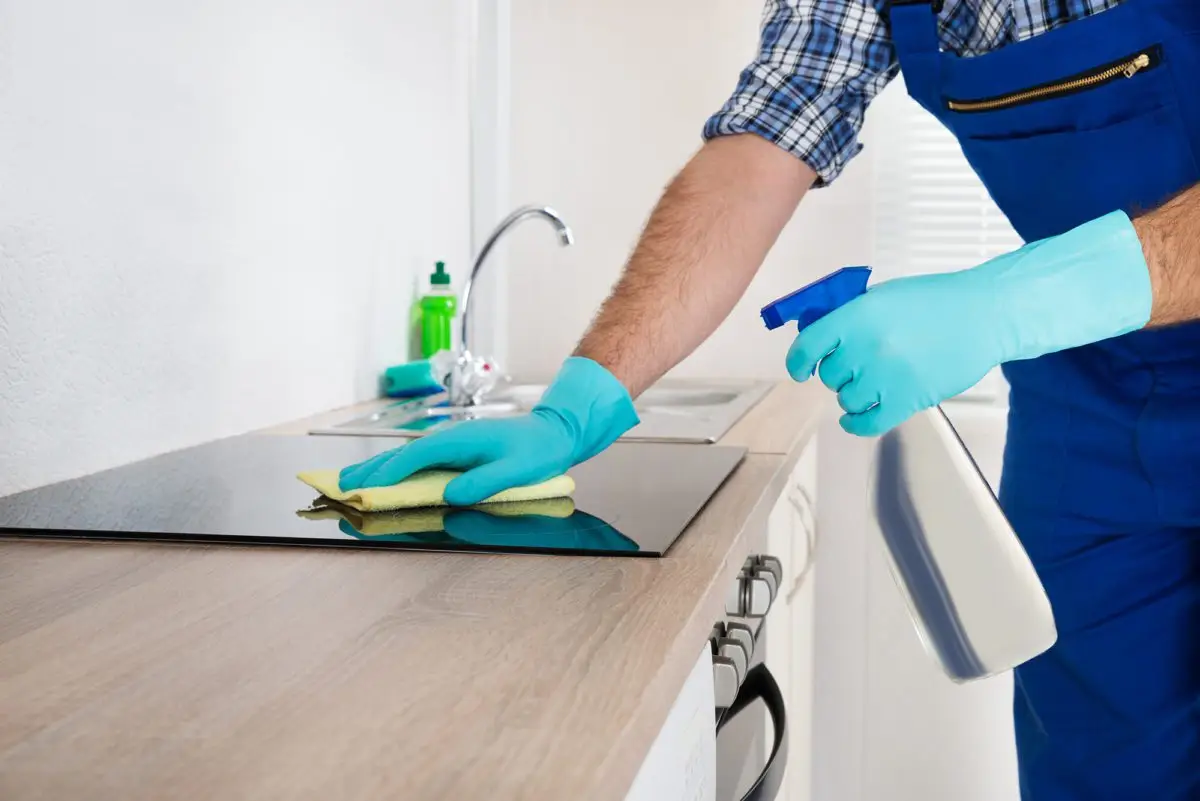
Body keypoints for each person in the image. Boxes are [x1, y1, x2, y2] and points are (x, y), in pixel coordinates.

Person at [342, 1, 1199, 797]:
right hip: (1085, 418)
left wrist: (1008, 302)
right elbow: (756, 156)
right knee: (1104, 770)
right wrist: (583, 398)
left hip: (1074, 334)